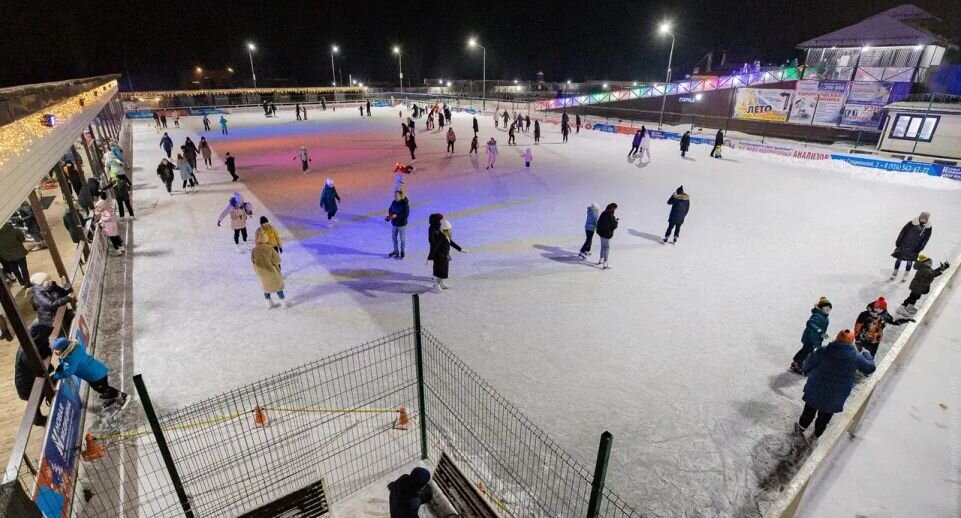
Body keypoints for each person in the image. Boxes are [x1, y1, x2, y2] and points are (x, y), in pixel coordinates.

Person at [796, 329, 875, 441]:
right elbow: (870, 368)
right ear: (851, 342)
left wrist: (806, 371)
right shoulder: (856, 357)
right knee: (824, 417)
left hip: (815, 388)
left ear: (837, 339)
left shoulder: (823, 351)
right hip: (836, 395)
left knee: (808, 411)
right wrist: (867, 354)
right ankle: (817, 434)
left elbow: (808, 363)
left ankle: (801, 427)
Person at [51, 337, 129, 410]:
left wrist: (55, 376)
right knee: (101, 388)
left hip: (96, 376)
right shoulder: (75, 348)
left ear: (63, 349)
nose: (54, 351)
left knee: (103, 389)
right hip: (97, 370)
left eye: (56, 350)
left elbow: (67, 372)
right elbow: (65, 364)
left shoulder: (71, 359)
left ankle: (123, 396)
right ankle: (112, 396)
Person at [789, 297, 832, 374]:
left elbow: (822, 329)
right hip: (810, 338)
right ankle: (798, 365)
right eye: (826, 307)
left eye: (829, 307)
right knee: (807, 352)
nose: (828, 309)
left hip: (815, 338)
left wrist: (824, 335)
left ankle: (796, 362)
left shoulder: (825, 317)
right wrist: (818, 330)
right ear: (821, 308)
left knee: (805, 350)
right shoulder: (817, 315)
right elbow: (810, 323)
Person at [428, 215, 465, 291]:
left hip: (445, 256)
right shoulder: (441, 237)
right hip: (439, 257)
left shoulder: (446, 236)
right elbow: (435, 247)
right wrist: (430, 257)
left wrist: (460, 249)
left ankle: (442, 283)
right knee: (440, 271)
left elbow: (451, 243)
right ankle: (436, 284)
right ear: (444, 230)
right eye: (448, 230)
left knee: (444, 271)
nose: (450, 231)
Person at [891, 212, 932, 281]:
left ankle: (906, 275)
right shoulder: (912, 223)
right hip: (904, 244)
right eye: (922, 218)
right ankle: (895, 272)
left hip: (914, 248)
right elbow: (903, 232)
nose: (923, 220)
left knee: (909, 262)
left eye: (925, 219)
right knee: (899, 259)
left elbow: (925, 239)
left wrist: (920, 248)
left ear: (927, 220)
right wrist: (898, 241)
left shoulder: (928, 228)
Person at [0, 222, 29, 287]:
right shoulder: (15, 230)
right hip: (19, 252)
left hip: (7, 255)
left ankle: (21, 281)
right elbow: (22, 239)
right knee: (23, 268)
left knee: (14, 269)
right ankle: (27, 282)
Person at [387, 191, 410, 259]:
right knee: (394, 238)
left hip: (402, 225)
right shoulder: (394, 202)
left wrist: (396, 216)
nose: (395, 197)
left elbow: (405, 214)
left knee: (402, 238)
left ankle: (402, 251)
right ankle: (396, 251)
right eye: (394, 195)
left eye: (396, 196)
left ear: (400, 196)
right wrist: (390, 215)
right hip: (394, 223)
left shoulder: (405, 204)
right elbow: (390, 209)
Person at [595, 203, 618, 270]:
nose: (615, 210)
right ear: (613, 208)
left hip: (601, 233)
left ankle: (601, 259)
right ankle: (605, 262)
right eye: (615, 208)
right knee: (607, 247)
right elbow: (614, 226)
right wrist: (616, 221)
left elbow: (599, 222)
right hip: (606, 234)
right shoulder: (611, 215)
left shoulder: (603, 213)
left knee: (603, 246)